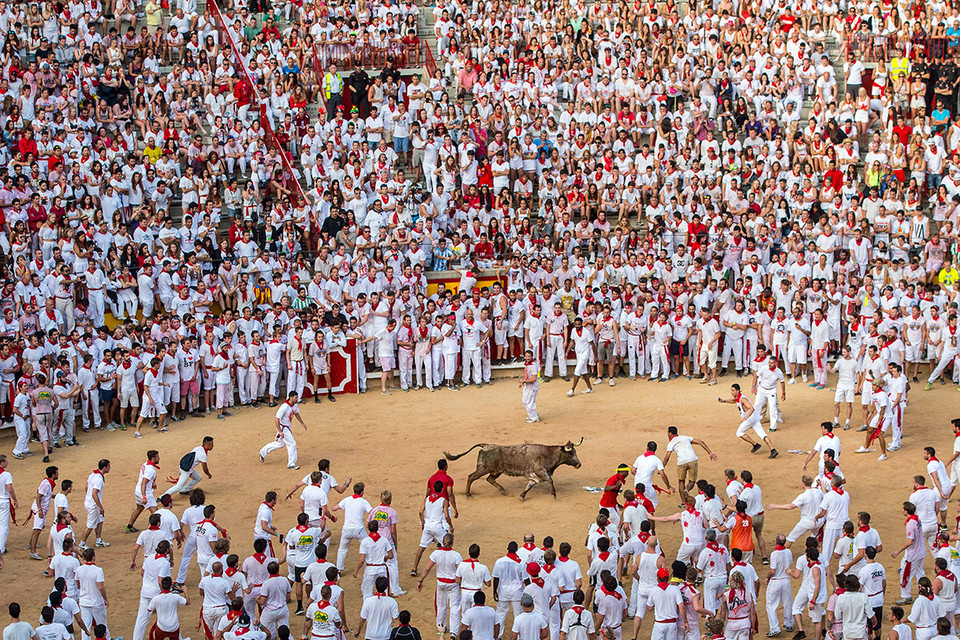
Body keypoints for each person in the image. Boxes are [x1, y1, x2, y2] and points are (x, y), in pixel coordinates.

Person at [719, 384, 779, 458]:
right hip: (755, 418)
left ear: (737, 391)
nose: (731, 392)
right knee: (762, 434)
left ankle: (755, 444)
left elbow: (751, 408)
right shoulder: (739, 397)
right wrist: (724, 401)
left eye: (733, 390)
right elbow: (733, 401)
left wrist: (745, 418)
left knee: (739, 433)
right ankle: (773, 450)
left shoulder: (743, 399)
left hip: (750, 419)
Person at [661, 426, 718, 504]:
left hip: (681, 462)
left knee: (681, 482)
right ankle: (687, 490)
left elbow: (667, 457)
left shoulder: (671, 443)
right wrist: (710, 452)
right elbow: (700, 442)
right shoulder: (685, 437)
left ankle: (683, 502)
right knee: (692, 481)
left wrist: (662, 467)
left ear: (670, 433)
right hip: (692, 459)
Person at [259, 391, 308, 470]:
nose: (297, 399)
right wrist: (280, 431)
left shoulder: (294, 405)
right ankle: (291, 463)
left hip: (286, 427)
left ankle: (263, 451)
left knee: (280, 444)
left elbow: (296, 413)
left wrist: (302, 423)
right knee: (292, 444)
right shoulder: (284, 407)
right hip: (283, 428)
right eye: (295, 397)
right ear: (291, 397)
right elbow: (276, 418)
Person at [78, 459, 110, 551]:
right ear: (104, 467)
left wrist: (88, 497)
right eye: (108, 466)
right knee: (90, 525)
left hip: (90, 502)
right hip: (93, 505)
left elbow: (86, 487)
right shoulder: (99, 479)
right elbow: (94, 493)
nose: (110, 468)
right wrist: (100, 507)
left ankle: (98, 540)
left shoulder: (93, 474)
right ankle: (82, 543)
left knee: (100, 520)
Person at [127, 450, 160, 533]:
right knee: (155, 512)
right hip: (145, 493)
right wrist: (144, 496)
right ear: (153, 458)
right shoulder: (151, 470)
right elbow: (144, 483)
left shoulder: (145, 464)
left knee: (139, 508)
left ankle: (129, 526)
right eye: (157, 457)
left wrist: (153, 484)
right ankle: (154, 530)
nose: (159, 458)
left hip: (138, 491)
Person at [0, 455, 17, 555]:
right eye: (6, 461)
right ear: (2, 463)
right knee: (4, 525)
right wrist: (15, 499)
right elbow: (9, 489)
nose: (7, 463)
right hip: (3, 501)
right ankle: (1, 548)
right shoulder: (6, 475)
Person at [520, 349, 540, 423]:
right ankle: (533, 414)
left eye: (529, 356)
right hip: (528, 386)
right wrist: (523, 382)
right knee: (525, 401)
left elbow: (534, 379)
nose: (527, 358)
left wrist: (524, 381)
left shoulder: (533, 366)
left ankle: (534, 417)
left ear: (532, 357)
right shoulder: (528, 364)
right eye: (526, 356)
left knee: (529, 402)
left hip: (532, 387)